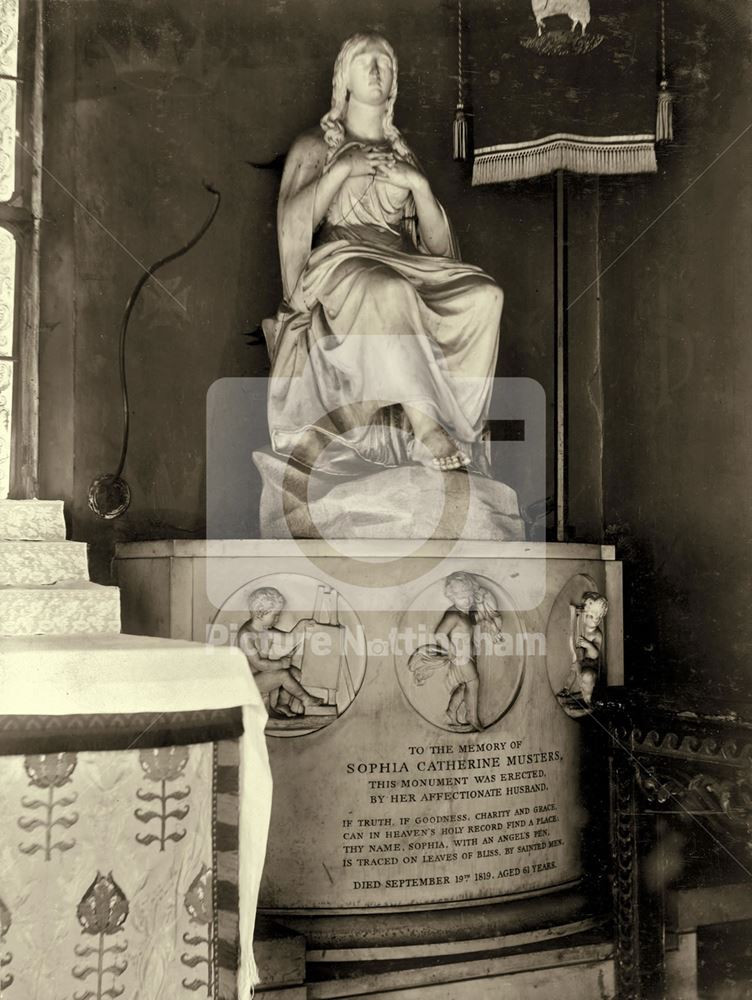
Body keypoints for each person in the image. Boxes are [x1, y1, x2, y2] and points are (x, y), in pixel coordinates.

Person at [263, 33, 504, 475]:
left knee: (485, 296)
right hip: (341, 259)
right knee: (390, 290)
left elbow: (438, 248)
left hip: (403, 255)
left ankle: (461, 426)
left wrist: (420, 185)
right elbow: (294, 222)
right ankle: (426, 428)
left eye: (384, 64)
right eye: (364, 61)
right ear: (344, 80)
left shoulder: (402, 151)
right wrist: (339, 172)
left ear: (394, 83)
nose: (375, 70)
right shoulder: (315, 146)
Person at [409, 572, 504, 731]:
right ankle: (472, 717)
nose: (466, 601)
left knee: (463, 686)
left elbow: (480, 621)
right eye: (461, 598)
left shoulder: (467, 612)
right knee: (473, 682)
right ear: (452, 597)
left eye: (469, 596)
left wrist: (493, 627)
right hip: (461, 657)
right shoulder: (453, 614)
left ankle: (451, 712)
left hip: (469, 655)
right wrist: (451, 649)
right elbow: (439, 634)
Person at [237, 587, 322, 718]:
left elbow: (289, 639)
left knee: (296, 674)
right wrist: (281, 663)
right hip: (250, 682)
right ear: (260, 613)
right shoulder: (246, 635)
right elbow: (259, 664)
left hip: (263, 676)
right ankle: (306, 699)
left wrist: (302, 625)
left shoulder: (266, 631)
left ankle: (281, 704)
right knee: (283, 675)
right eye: (275, 616)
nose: (277, 620)